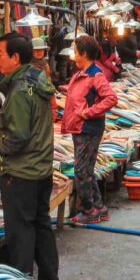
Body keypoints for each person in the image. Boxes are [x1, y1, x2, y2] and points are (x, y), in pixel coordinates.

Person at [0, 32, 59, 279]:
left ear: (15, 58)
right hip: (41, 169)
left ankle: (21, 275)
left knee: (20, 231)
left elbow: (18, 135)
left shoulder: (19, 91)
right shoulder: (37, 80)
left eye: (0, 54)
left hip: (21, 172)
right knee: (41, 225)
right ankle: (49, 275)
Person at [62, 36, 118, 224]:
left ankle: (88, 210)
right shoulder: (80, 73)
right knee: (87, 169)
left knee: (81, 171)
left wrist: (88, 113)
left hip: (88, 128)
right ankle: (98, 207)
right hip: (79, 128)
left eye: (75, 50)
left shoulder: (96, 75)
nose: (73, 53)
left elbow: (110, 98)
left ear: (83, 54)